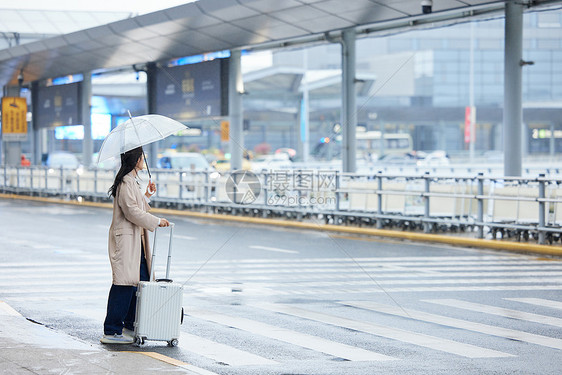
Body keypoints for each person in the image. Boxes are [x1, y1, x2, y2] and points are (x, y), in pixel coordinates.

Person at [100, 147, 170, 344]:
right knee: (123, 283)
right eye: (142, 157)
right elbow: (131, 212)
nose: (144, 159)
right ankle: (111, 330)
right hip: (127, 240)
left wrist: (147, 195)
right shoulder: (125, 182)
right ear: (136, 159)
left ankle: (129, 325)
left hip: (136, 240)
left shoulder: (132, 182)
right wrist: (156, 221)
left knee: (138, 281)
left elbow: (137, 207)